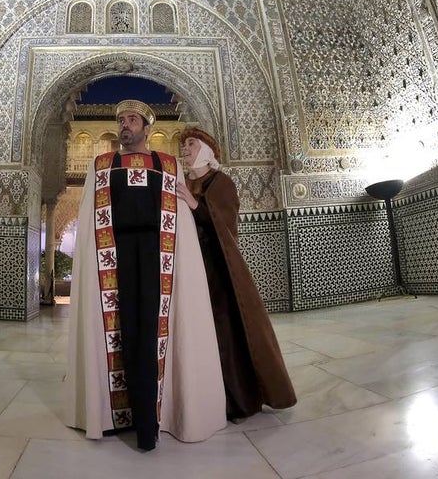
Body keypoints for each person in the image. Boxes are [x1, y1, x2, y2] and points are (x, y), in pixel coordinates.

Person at [64, 99, 225, 451]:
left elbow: (180, 217)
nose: (125, 124)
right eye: (121, 120)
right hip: (113, 258)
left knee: (154, 335)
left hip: (159, 259)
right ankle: (113, 416)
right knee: (119, 332)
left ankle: (150, 423)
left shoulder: (167, 165)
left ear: (148, 129)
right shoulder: (101, 165)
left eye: (133, 120)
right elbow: (91, 218)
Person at [175, 127, 297, 420]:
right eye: (184, 145)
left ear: (207, 151)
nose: (185, 149)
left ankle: (238, 400)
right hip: (191, 270)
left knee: (225, 334)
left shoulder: (221, 182)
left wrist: (194, 204)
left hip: (220, 272)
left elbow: (225, 225)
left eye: (191, 144)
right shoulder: (185, 184)